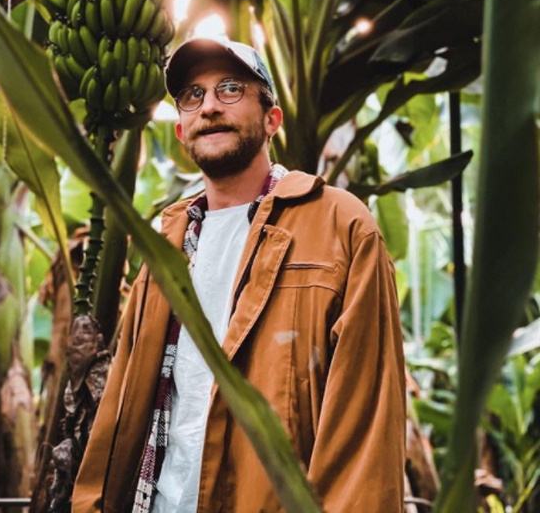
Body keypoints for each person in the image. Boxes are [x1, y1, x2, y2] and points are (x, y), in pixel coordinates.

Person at [72, 39, 405, 512]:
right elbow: (121, 408)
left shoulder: (340, 228)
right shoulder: (165, 244)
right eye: (193, 94)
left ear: (271, 120)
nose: (208, 106)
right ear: (183, 129)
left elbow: (365, 425)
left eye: (230, 89)